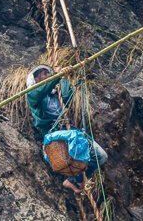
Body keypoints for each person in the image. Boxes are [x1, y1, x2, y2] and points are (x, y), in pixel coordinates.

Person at [26, 65, 108, 194]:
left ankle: (73, 180)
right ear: (35, 79)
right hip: (53, 134)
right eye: (44, 74)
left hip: (70, 131)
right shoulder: (32, 95)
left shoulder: (54, 95)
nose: (47, 75)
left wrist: (63, 77)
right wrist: (57, 75)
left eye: (48, 73)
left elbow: (67, 95)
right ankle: (78, 180)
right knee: (72, 158)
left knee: (101, 156)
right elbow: (40, 91)